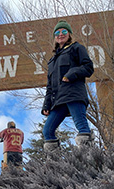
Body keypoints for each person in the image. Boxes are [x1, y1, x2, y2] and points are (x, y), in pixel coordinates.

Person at [41, 20, 94, 153]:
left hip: (73, 95)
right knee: (47, 130)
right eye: (57, 32)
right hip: (58, 100)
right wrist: (46, 105)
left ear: (69, 34)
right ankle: (55, 164)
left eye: (64, 31)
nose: (60, 34)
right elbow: (49, 86)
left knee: (81, 126)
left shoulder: (76, 48)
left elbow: (88, 67)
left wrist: (72, 73)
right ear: (54, 37)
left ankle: (89, 158)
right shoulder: (52, 61)